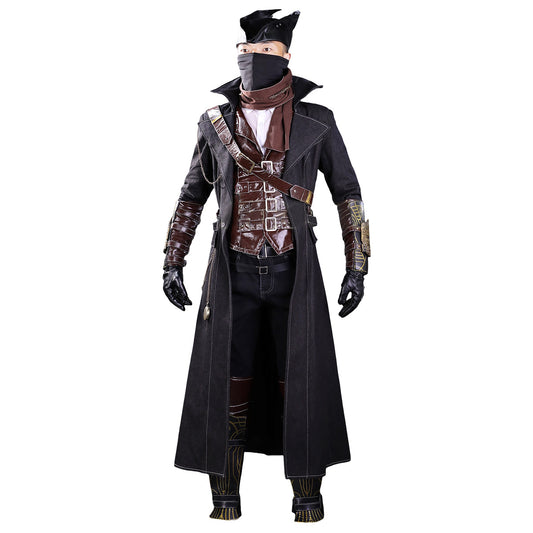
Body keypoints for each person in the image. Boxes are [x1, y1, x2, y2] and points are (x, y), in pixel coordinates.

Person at [162, 9, 371, 522]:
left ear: (286, 57)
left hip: (293, 272)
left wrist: (357, 264)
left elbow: (347, 193)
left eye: (265, 51)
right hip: (230, 271)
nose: (253, 57)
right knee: (227, 378)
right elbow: (191, 196)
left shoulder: (317, 121)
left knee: (300, 376)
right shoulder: (215, 123)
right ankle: (225, 498)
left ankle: (307, 498)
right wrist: (172, 260)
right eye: (247, 51)